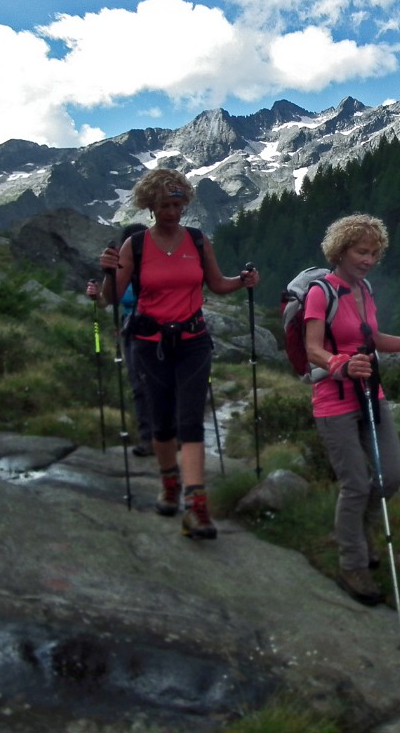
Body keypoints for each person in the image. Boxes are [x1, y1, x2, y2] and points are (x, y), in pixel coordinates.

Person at [97, 169, 259, 539]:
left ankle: (196, 506)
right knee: (161, 421)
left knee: (189, 421)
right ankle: (169, 482)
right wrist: (107, 273)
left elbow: (216, 285)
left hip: (193, 340)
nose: (173, 212)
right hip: (149, 343)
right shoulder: (134, 246)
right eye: (165, 205)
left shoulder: (199, 241)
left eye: (178, 204)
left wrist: (242, 281)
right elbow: (109, 298)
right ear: (150, 206)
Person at [304, 213, 400, 604]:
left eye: (375, 253)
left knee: (392, 475)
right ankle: (352, 564)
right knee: (356, 484)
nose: (369, 259)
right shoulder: (321, 292)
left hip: (371, 396)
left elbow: (373, 337)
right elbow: (313, 348)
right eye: (362, 252)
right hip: (334, 400)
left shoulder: (366, 290)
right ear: (341, 250)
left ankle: (354, 536)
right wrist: (339, 365)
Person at [86, 224, 153, 457]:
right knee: (139, 384)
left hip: (154, 329)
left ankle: (160, 436)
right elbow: (107, 301)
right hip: (133, 330)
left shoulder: (153, 267)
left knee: (150, 384)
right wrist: (97, 296)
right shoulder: (120, 271)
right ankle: (150, 438)